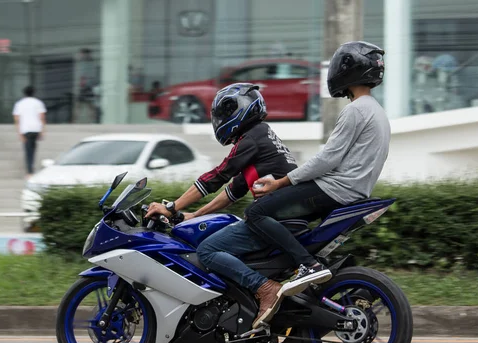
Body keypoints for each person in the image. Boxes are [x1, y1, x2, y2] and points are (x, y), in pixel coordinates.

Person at [241, 41, 391, 322]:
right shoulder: (378, 112)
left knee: (256, 212)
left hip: (333, 190)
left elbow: (327, 160)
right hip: (356, 192)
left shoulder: (356, 110)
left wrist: (281, 182)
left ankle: (307, 265)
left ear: (347, 71)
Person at [145, 82, 298, 327]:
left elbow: (216, 176)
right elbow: (233, 190)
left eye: (224, 114)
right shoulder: (261, 134)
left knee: (206, 251)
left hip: (273, 221)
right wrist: (194, 214)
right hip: (281, 217)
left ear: (241, 110)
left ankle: (265, 288)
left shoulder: (252, 138)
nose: (220, 120)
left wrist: (171, 207)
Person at [13, 86, 47, 179]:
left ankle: (29, 171)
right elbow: (42, 117)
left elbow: (17, 119)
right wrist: (42, 130)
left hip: (25, 129)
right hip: (36, 128)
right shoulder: (38, 103)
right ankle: (31, 169)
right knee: (33, 148)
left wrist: (19, 133)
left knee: (28, 150)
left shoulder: (19, 104)